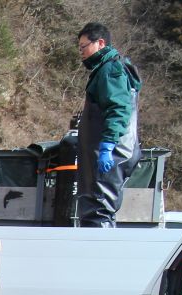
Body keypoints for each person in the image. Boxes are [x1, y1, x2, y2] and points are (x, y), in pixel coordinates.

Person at [76, 23, 142, 227]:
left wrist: (107, 146)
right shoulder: (111, 68)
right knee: (98, 208)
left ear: (100, 43)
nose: (82, 53)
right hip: (113, 152)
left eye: (84, 46)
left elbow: (118, 109)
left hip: (110, 153)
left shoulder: (110, 70)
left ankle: (97, 255)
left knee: (98, 210)